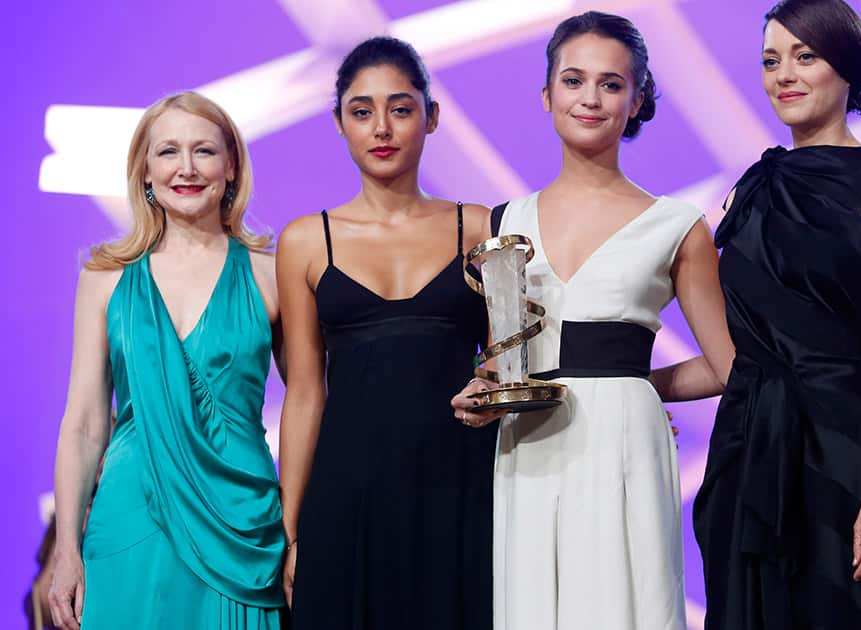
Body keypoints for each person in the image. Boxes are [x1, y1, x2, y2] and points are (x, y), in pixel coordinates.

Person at [453, 11, 734, 630]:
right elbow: (503, 362)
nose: (590, 98)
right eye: (574, 80)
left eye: (611, 84)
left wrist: (635, 389)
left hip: (625, 443)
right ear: (547, 93)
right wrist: (482, 394)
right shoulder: (499, 223)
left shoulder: (677, 225)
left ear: (637, 101)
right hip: (528, 441)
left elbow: (727, 366)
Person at [692, 1, 861, 628]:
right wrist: (626, 378)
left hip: (849, 453)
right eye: (771, 61)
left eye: (806, 56)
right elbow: (738, 355)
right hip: (748, 455)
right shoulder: (753, 190)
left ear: (848, 68)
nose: (785, 75)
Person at [276, 36, 499, 630]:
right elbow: (304, 392)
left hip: (460, 485)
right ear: (339, 122)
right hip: (346, 492)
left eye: (400, 109)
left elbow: (512, 362)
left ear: (432, 117)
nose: (382, 128)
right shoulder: (304, 240)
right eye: (361, 111)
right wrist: (291, 531)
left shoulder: (478, 226)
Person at [47, 91, 286, 629]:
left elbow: (308, 407)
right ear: (145, 172)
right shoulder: (104, 279)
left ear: (231, 167)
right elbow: (84, 424)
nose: (186, 168)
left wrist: (299, 528)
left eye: (203, 151)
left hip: (240, 522)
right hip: (130, 516)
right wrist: (66, 550)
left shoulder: (270, 276)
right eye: (168, 152)